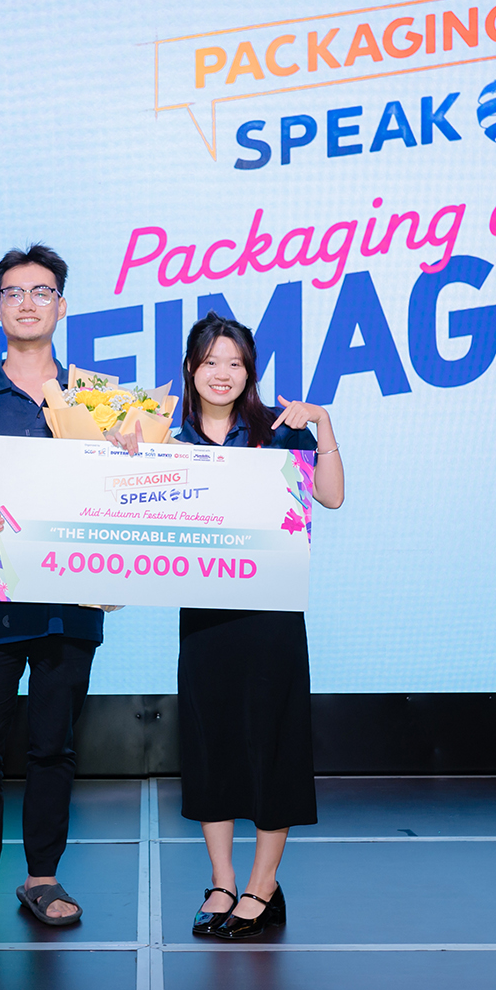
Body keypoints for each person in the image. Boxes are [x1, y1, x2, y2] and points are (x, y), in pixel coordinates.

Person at [0, 245, 102, 939]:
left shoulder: (96, 401)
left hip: (71, 604)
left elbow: (120, 494)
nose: (28, 303)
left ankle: (42, 878)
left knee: (53, 747)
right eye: (14, 292)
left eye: (42, 291)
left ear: (62, 306)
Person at [171, 314, 344, 940]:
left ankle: (262, 886)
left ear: (250, 371)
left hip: (272, 619)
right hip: (206, 620)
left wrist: (324, 425)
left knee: (273, 746)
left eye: (236, 363)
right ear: (191, 369)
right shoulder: (171, 443)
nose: (223, 374)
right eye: (211, 362)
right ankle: (222, 880)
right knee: (211, 746)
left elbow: (331, 496)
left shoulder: (278, 431)